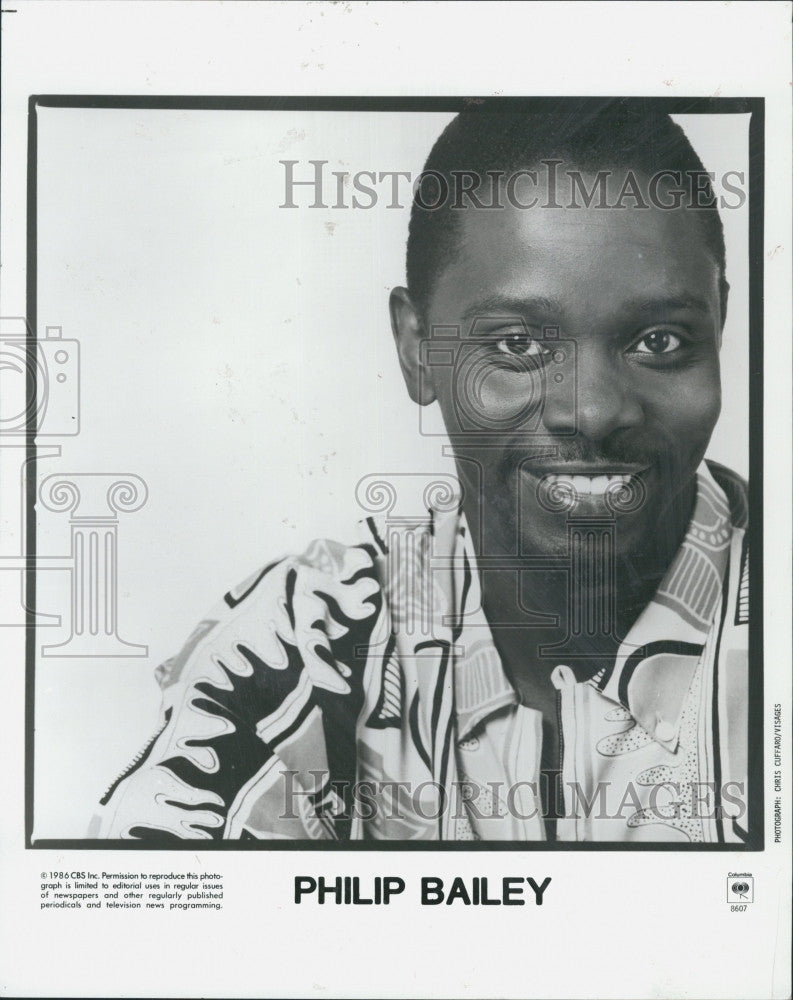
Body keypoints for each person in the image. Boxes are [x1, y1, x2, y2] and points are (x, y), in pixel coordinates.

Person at [91, 99, 750, 843]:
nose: (593, 411)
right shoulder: (314, 638)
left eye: (658, 340)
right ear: (416, 347)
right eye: (517, 345)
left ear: (720, 324)